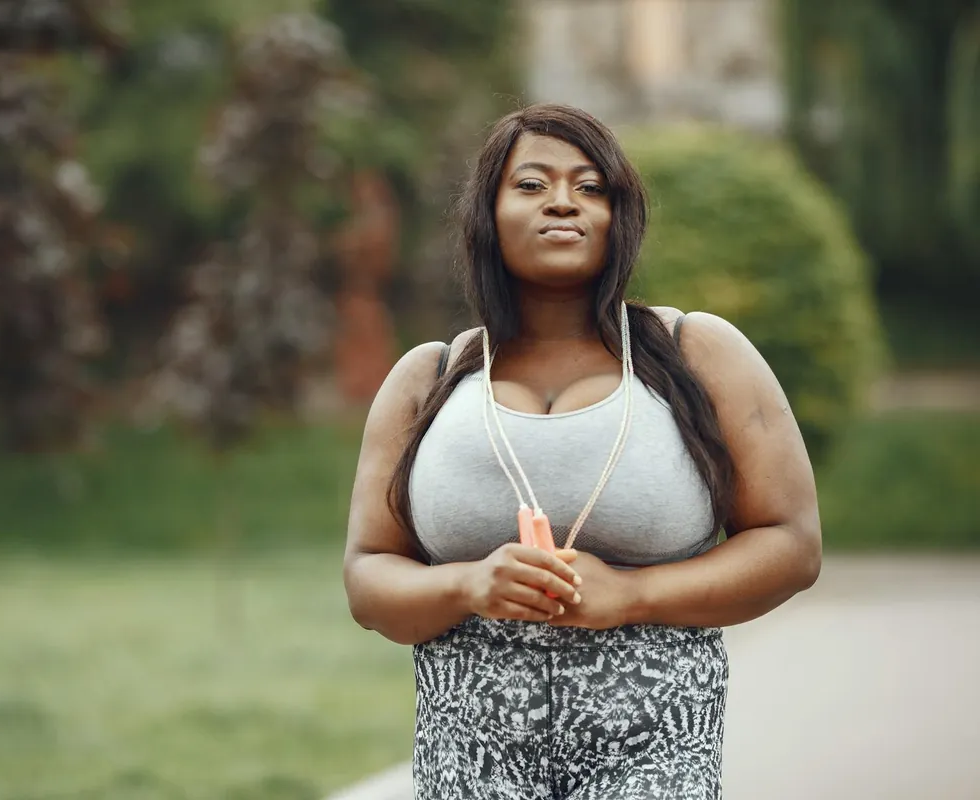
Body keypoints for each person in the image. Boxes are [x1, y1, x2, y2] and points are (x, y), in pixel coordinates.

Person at [342, 104, 822, 800]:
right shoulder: (430, 378)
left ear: (617, 217)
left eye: (591, 187)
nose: (563, 201)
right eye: (532, 184)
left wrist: (632, 594)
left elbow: (793, 544)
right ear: (490, 213)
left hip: (655, 742)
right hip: (470, 755)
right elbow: (367, 578)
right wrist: (468, 585)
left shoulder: (697, 354)